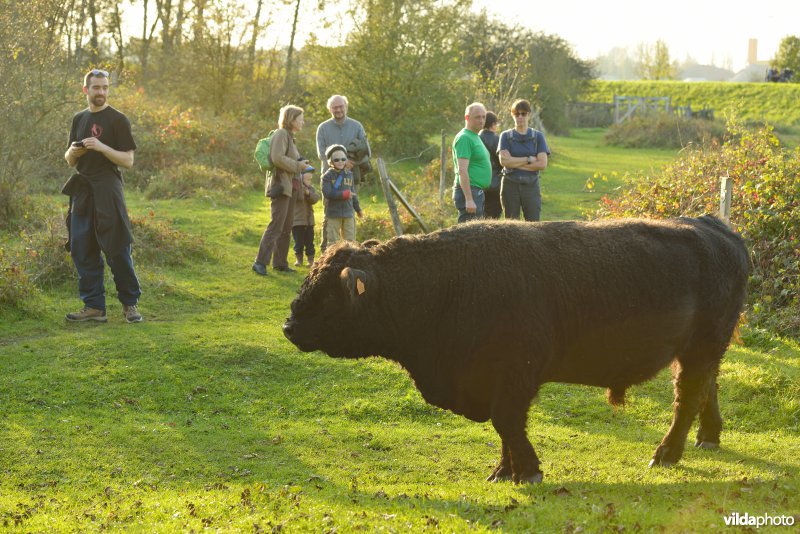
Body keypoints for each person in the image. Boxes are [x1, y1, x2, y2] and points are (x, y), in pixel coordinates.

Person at [62, 69, 142, 323]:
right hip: (82, 189)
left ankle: (130, 305)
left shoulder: (118, 119)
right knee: (81, 248)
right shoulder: (79, 118)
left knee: (117, 246)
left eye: (105, 87)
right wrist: (76, 152)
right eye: (96, 88)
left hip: (108, 188)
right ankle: (94, 307)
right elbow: (68, 159)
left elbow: (128, 160)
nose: (101, 92)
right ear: (86, 90)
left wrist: (102, 147)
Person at [253, 105, 310, 276]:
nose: (302, 122)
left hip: (291, 187)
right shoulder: (281, 134)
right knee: (276, 225)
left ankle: (280, 263)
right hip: (281, 186)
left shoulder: (291, 137)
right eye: (300, 119)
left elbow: (288, 158)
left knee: (286, 226)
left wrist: (301, 162)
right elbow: (277, 158)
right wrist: (298, 165)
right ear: (291, 119)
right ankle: (260, 262)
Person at [315, 95, 370, 251]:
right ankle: (326, 252)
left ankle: (349, 251)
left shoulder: (357, 126)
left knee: (349, 214)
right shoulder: (323, 128)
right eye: (334, 107)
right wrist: (338, 161)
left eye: (341, 106)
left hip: (351, 177)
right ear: (329, 109)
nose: (338, 109)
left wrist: (352, 162)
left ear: (346, 106)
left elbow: (367, 150)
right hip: (330, 178)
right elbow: (321, 153)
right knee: (329, 215)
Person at [498, 99, 550, 222]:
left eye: (523, 113)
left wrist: (514, 163)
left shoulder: (538, 136)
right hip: (510, 184)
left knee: (533, 224)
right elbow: (504, 162)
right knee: (511, 226)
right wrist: (529, 160)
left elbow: (542, 164)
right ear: (512, 115)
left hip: (531, 185)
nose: (520, 117)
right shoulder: (505, 136)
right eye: (517, 114)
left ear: (529, 115)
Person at [452, 102, 491, 223]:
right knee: (467, 237)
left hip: (476, 191)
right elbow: (462, 170)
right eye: (477, 117)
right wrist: (468, 199)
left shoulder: (475, 136)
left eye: (484, 117)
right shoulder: (465, 138)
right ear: (467, 118)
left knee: (474, 236)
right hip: (469, 192)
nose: (482, 120)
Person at [321, 144, 363, 245]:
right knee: (333, 242)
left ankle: (350, 260)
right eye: (336, 160)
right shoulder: (327, 176)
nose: (340, 162)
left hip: (348, 213)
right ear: (330, 161)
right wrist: (343, 194)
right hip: (333, 213)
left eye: (343, 159)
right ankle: (333, 260)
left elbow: (353, 194)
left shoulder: (349, 174)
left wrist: (358, 209)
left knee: (350, 241)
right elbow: (327, 193)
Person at [292, 171, 320, 267]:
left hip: (309, 222)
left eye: (310, 179)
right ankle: (299, 259)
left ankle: (310, 260)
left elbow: (316, 198)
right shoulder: (295, 188)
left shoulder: (311, 189)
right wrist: (301, 190)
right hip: (297, 221)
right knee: (298, 242)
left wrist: (308, 193)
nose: (309, 181)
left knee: (309, 242)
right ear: (300, 180)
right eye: (307, 179)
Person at [479, 111, 503, 219]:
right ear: (493, 124)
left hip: (478, 182)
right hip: (495, 183)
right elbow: (502, 161)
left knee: (481, 215)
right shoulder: (498, 139)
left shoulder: (475, 138)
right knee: (494, 217)